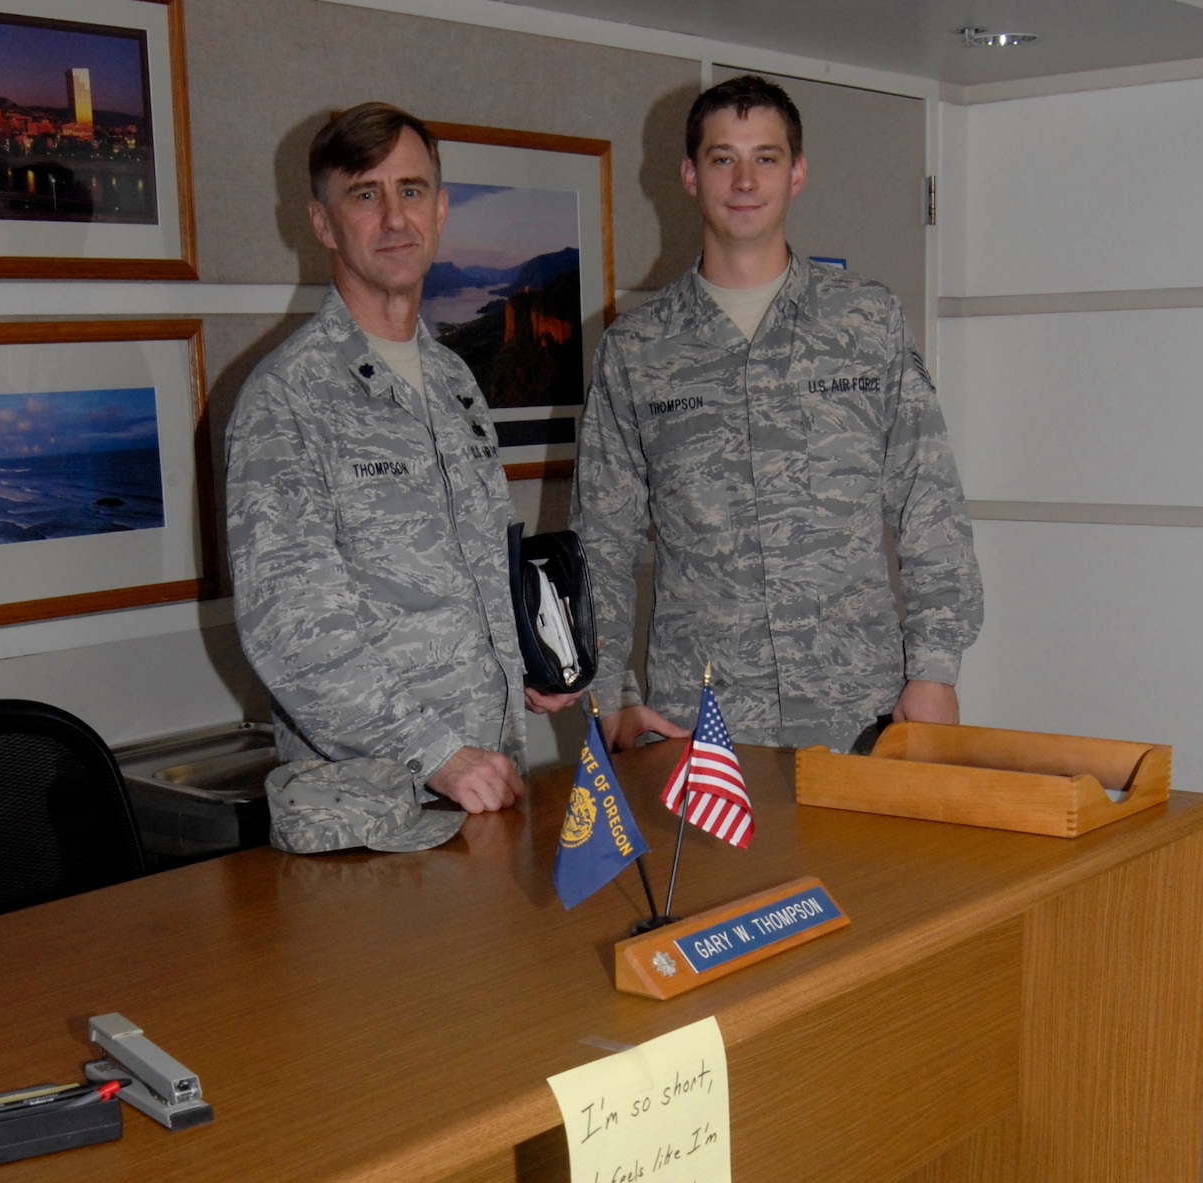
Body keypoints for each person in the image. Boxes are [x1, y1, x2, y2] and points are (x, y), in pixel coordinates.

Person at [571, 74, 983, 756]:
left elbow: (928, 501)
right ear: (689, 176)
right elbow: (602, 540)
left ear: (796, 174)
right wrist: (612, 697)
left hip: (860, 712)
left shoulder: (865, 322)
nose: (744, 180)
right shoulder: (638, 351)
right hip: (699, 725)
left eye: (765, 157)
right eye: (722, 158)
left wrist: (936, 669)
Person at [226, 101, 568, 840]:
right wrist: (437, 755)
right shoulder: (285, 399)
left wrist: (537, 658)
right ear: (322, 224)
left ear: (440, 211)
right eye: (364, 194)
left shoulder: (453, 385)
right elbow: (295, 633)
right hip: (375, 825)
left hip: (486, 789)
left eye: (411, 191)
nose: (393, 218)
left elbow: (485, 559)